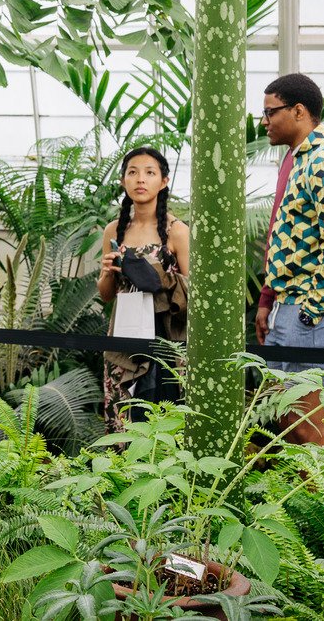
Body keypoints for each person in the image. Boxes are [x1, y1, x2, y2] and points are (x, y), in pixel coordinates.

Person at [253, 72, 324, 447]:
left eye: (270, 113)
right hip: (292, 302)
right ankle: (304, 500)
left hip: (311, 306)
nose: (263, 122)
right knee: (283, 413)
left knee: (304, 418)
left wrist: (309, 312)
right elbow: (284, 237)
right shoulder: (299, 158)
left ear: (298, 111)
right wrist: (271, 300)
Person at [96, 147, 190, 432]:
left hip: (165, 334)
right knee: (124, 408)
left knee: (161, 412)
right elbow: (105, 294)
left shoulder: (177, 230)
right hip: (124, 330)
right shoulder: (114, 230)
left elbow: (190, 290)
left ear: (163, 181)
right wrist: (110, 270)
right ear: (123, 180)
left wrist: (157, 277)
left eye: (150, 173)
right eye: (133, 172)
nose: (140, 179)